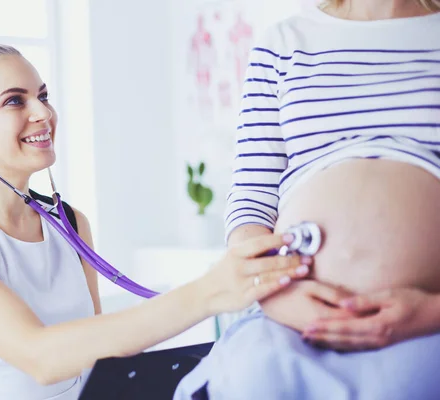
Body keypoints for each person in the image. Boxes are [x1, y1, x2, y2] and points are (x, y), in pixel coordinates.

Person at [0, 44, 313, 400]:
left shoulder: (70, 221)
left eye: (43, 95)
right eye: (14, 100)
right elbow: (41, 358)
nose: (43, 112)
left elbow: (97, 355)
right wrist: (208, 293)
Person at [174, 0, 440, 398]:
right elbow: (251, 201)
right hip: (289, 322)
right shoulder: (283, 44)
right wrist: (279, 297)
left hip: (425, 327)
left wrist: (431, 313)